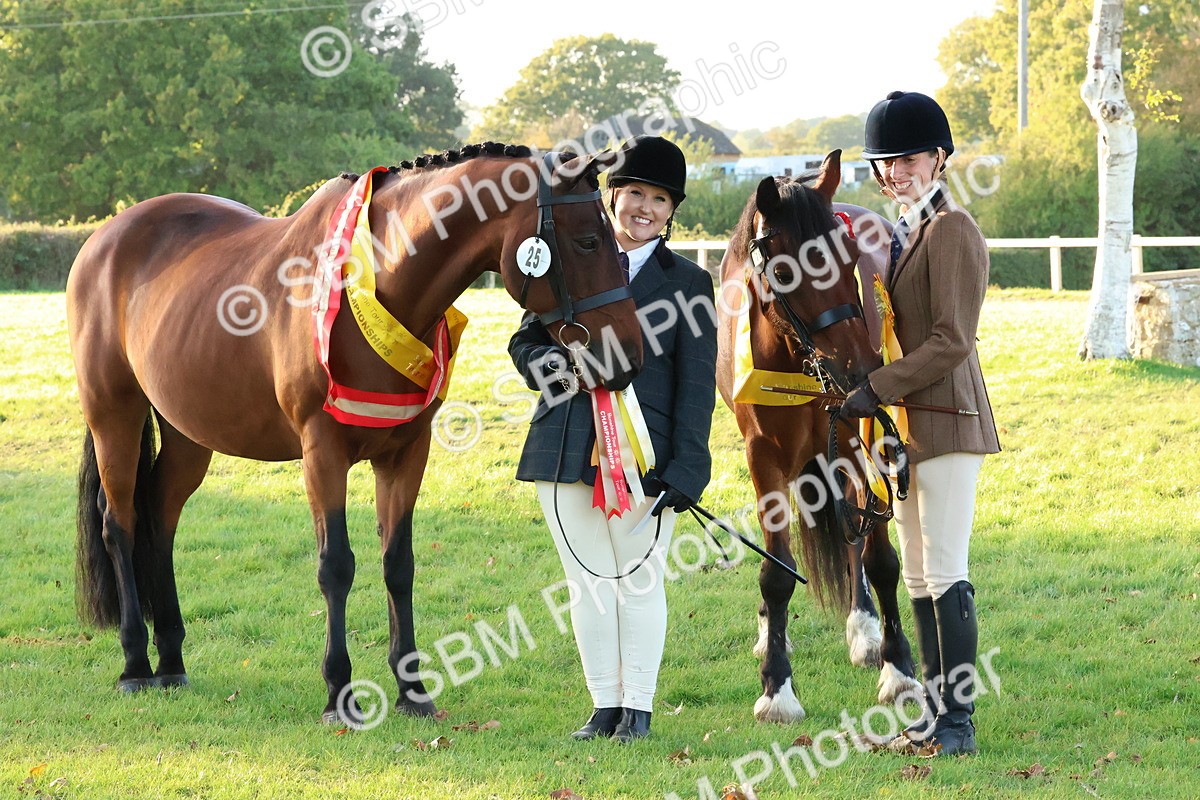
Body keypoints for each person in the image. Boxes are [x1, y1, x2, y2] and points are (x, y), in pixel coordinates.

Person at [508, 135, 717, 743]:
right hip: (567, 441)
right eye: (633, 194)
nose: (644, 208)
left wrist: (688, 466)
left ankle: (640, 708)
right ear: (613, 196)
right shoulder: (570, 262)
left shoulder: (690, 284)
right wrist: (565, 371)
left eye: (658, 198)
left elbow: (697, 383)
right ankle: (604, 706)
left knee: (639, 581)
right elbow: (525, 342)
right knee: (589, 583)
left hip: (647, 458)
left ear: (672, 210)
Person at [841, 91, 1001, 756]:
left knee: (944, 566)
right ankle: (930, 716)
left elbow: (951, 339)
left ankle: (956, 724)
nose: (893, 172)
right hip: (904, 424)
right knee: (913, 573)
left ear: (939, 158)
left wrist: (874, 387)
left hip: (948, 418)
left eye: (905, 158)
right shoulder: (901, 232)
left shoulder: (952, 228)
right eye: (882, 162)